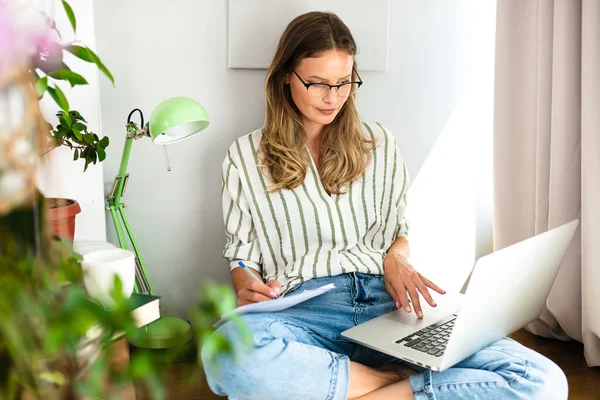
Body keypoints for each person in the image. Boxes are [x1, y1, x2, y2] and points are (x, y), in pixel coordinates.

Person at [202, 11, 568, 400]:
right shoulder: (244, 156)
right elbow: (242, 259)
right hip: (302, 311)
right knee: (226, 355)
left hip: (387, 304)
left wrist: (397, 259)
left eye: (344, 83)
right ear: (285, 77)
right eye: (318, 84)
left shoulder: (378, 143)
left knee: (543, 381)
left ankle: (348, 388)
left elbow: (398, 235)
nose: (333, 98)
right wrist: (249, 287)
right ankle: (391, 384)